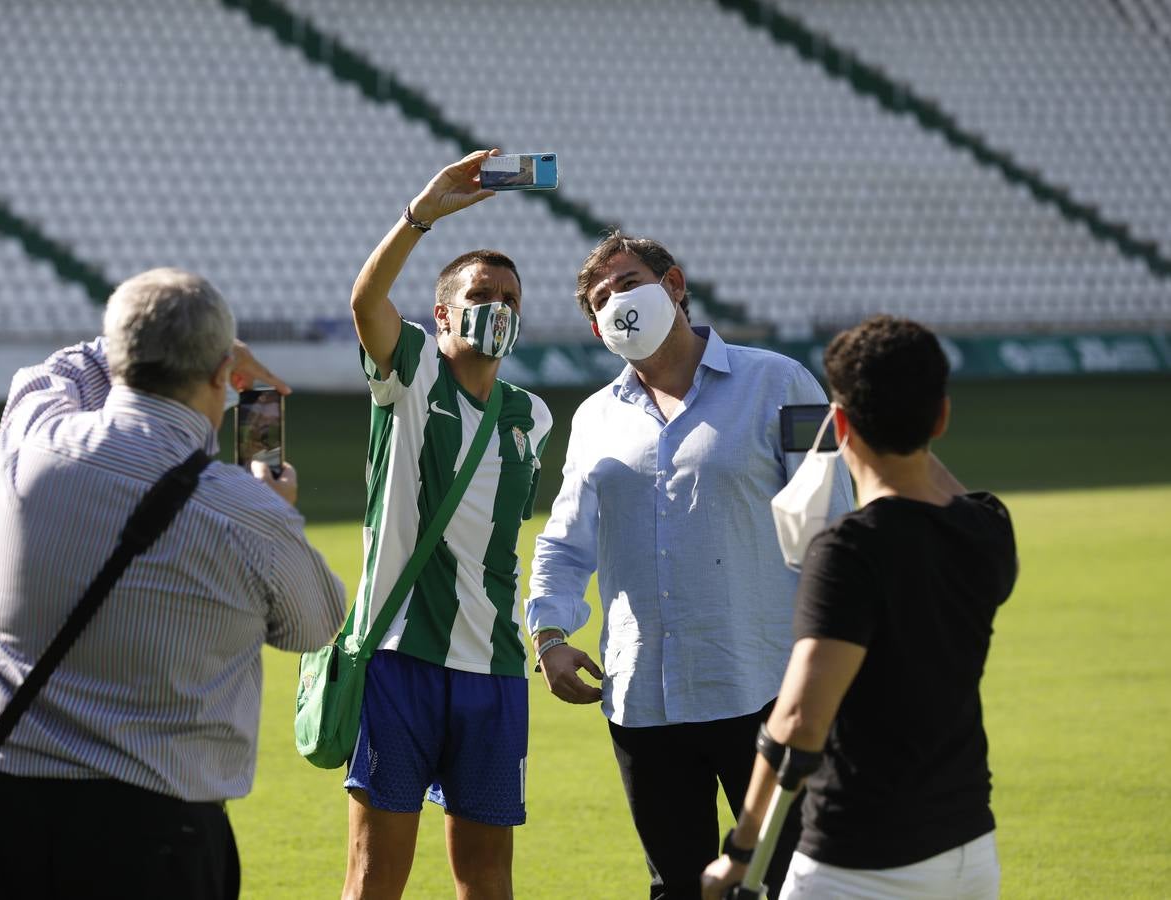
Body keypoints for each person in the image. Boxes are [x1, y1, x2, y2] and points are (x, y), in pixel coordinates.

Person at [0, 268, 347, 900]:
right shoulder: (247, 513)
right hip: (153, 833)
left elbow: (48, 373)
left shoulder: (33, 444)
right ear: (221, 374)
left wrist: (127, 342)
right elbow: (319, 626)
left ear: (119, 358)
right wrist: (280, 509)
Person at [526, 233, 854, 899]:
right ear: (594, 327)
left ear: (673, 284)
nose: (617, 300)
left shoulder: (781, 381)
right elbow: (565, 539)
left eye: (628, 281)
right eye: (601, 298)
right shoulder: (593, 418)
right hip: (643, 698)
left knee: (795, 881)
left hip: (763, 685)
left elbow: (832, 526)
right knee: (677, 886)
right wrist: (551, 635)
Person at [701, 315, 1018, 900]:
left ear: (840, 424)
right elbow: (947, 494)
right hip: (970, 846)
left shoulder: (849, 550)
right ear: (942, 417)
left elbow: (798, 721)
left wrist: (740, 853)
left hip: (858, 859)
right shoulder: (989, 528)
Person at [341, 150, 553, 900]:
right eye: (482, 293)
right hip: (403, 657)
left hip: (494, 669)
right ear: (442, 312)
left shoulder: (533, 415)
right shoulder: (410, 373)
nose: (499, 307)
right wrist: (420, 214)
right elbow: (367, 301)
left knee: (489, 877)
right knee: (376, 874)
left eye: (510, 298)